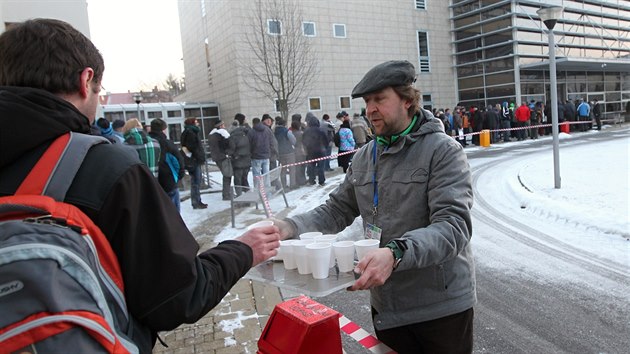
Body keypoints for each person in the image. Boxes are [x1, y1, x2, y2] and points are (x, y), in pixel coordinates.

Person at [0, 18, 281, 353]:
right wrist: (243, 249)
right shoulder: (104, 166)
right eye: (99, 91)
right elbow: (179, 297)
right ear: (85, 80)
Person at [273, 61, 475, 353]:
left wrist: (396, 253)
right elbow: (336, 209)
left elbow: (453, 228)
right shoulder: (366, 156)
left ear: (407, 99)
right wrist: (290, 226)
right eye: (367, 102)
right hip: (388, 307)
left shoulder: (442, 151)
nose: (370, 109)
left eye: (380, 99)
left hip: (440, 309)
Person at [148, 118, 185, 212]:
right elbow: (178, 160)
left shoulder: (147, 143)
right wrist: (178, 176)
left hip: (151, 182)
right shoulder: (167, 143)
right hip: (168, 181)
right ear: (163, 129)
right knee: (174, 211)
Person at [180, 117, 207, 209]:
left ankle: (197, 201)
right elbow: (193, 147)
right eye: (196, 122)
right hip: (194, 161)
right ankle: (196, 202)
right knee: (196, 182)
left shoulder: (190, 132)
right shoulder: (190, 133)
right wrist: (199, 157)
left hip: (193, 160)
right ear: (192, 123)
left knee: (196, 182)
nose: (198, 123)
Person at [208, 120, 234, 200]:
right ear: (220, 126)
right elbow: (229, 144)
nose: (224, 126)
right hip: (223, 157)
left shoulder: (212, 135)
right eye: (223, 124)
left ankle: (226, 193)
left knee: (226, 175)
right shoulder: (222, 134)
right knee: (227, 175)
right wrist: (227, 153)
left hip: (217, 157)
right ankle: (226, 194)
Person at [248, 117, 275, 190]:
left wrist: (250, 154)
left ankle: (258, 192)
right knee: (266, 175)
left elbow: (249, 144)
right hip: (266, 156)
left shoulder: (251, 132)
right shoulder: (267, 130)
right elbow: (271, 141)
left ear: (253, 123)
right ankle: (267, 193)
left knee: (256, 175)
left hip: (256, 156)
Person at [302, 114, 328, 186]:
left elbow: (303, 141)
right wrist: (324, 147)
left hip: (310, 151)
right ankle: (321, 181)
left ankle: (311, 180)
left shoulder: (306, 131)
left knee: (311, 166)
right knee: (321, 167)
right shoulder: (321, 130)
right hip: (320, 150)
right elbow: (326, 140)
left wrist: (307, 147)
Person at [229, 113, 252, 197]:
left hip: (237, 160)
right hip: (247, 159)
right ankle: (248, 195)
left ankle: (240, 197)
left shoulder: (232, 135)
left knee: (238, 180)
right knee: (245, 178)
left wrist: (232, 155)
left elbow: (231, 148)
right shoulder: (247, 132)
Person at [274, 116, 297, 189]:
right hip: (289, 152)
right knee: (292, 169)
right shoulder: (287, 131)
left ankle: (284, 185)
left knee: (283, 170)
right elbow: (293, 141)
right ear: (284, 124)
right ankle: (292, 184)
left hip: (280, 153)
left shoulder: (274, 132)